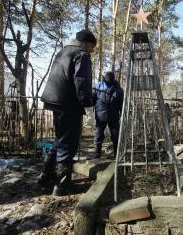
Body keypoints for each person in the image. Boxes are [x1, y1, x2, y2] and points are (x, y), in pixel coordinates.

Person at [39, 29, 97, 196]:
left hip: (54, 100)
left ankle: (45, 175)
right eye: (92, 46)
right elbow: (82, 80)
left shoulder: (63, 51)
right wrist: (87, 104)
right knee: (69, 142)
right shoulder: (81, 55)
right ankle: (62, 185)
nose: (92, 50)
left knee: (60, 139)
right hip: (68, 103)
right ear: (86, 43)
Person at [92, 71, 123, 158]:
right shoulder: (98, 86)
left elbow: (121, 103)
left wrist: (122, 113)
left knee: (115, 135)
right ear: (104, 78)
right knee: (99, 134)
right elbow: (93, 99)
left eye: (111, 77)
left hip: (114, 116)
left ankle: (116, 154)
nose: (109, 79)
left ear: (114, 79)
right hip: (100, 115)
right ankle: (97, 153)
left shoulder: (119, 89)